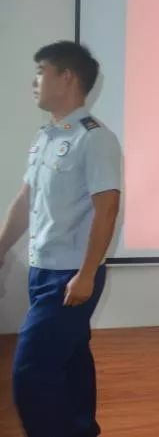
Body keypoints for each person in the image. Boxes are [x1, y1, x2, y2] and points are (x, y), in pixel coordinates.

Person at [0, 41, 122, 437]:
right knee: (70, 359)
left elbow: (107, 208)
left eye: (41, 72)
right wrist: (0, 248)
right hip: (43, 270)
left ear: (66, 77)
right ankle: (81, 429)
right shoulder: (46, 136)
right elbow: (25, 199)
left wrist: (86, 274)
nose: (34, 82)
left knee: (31, 370)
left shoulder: (95, 138)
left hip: (71, 276)